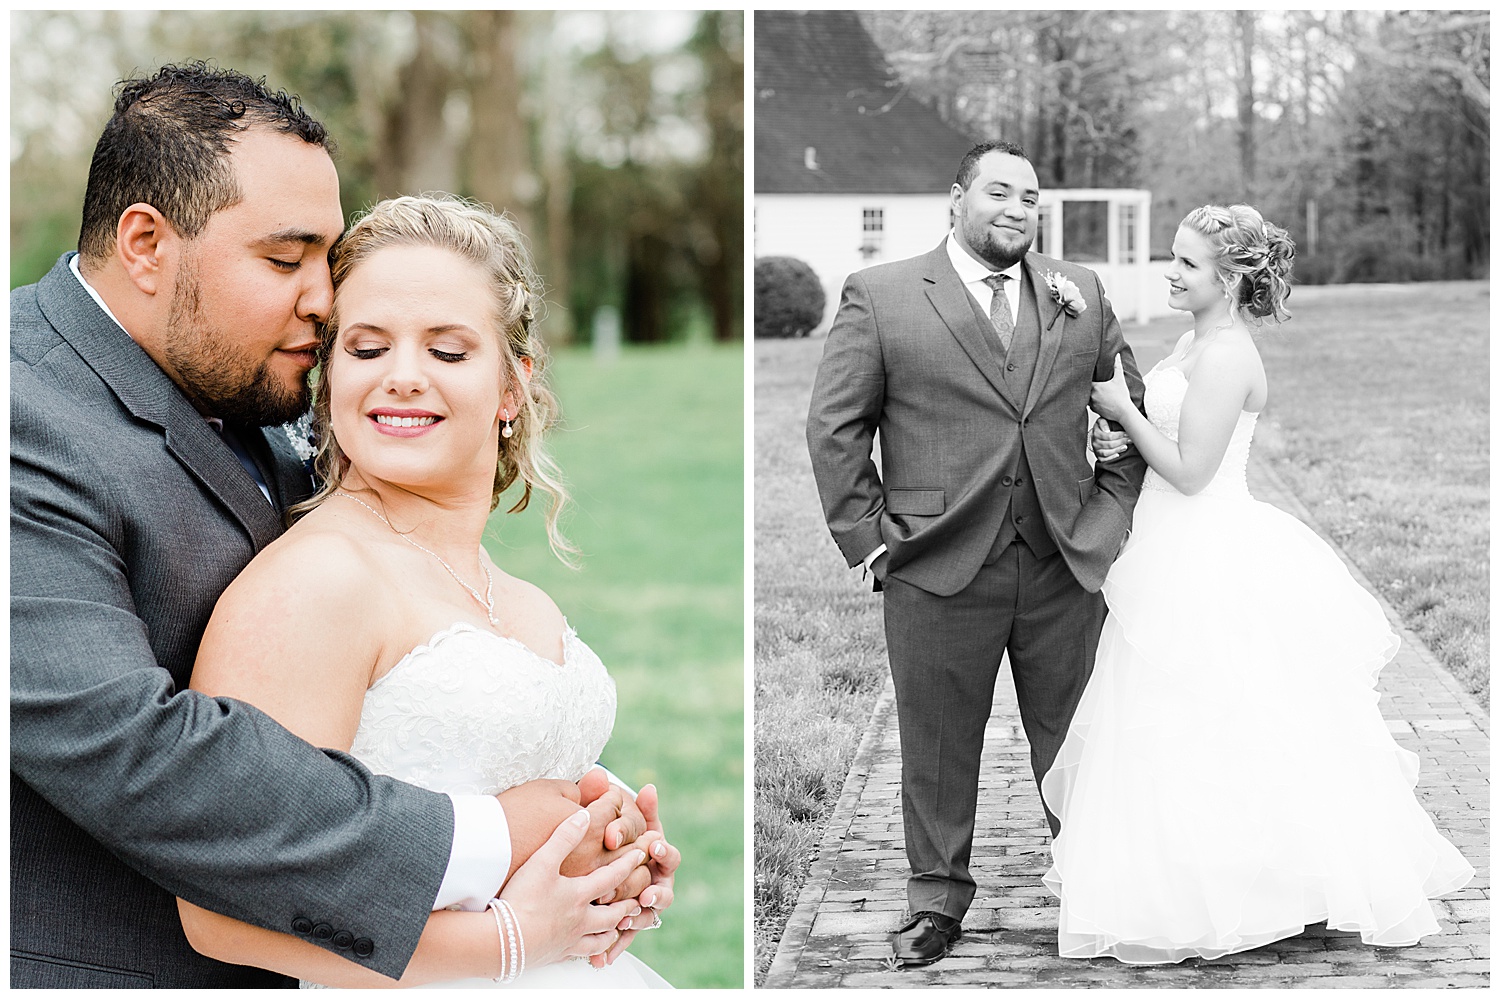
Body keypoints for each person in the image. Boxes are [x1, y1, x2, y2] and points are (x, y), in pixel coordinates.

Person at [11, 63, 671, 989]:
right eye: (286, 260)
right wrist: (493, 837)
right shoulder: (21, 413)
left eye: (326, 259)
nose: (322, 302)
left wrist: (593, 838)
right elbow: (129, 749)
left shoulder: (247, 387)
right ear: (148, 244)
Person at [172, 193, 673, 988]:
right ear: (330, 375)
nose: (403, 378)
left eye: (447, 351)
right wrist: (513, 942)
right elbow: (220, 908)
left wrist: (614, 862)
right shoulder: (317, 583)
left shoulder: (519, 599)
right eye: (368, 348)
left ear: (513, 386)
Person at [1044, 203, 1475, 964]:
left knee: (1230, 715)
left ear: (1233, 277)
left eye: (1186, 263)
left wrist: (1118, 405)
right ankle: (1196, 875)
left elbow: (1190, 469)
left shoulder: (1229, 354)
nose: (1170, 272)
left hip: (1210, 549)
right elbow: (1166, 442)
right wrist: (1120, 426)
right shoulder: (1191, 340)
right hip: (1169, 544)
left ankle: (1266, 887)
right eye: (1171, 257)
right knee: (1173, 722)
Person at [805, 139, 1148, 968]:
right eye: (999, 192)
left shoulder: (1082, 293)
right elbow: (835, 427)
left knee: (1075, 736)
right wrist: (870, 543)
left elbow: (1128, 409)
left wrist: (1107, 516)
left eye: (1031, 198)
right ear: (956, 198)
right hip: (934, 560)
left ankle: (1090, 878)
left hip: (1065, 558)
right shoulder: (882, 295)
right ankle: (936, 900)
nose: (1018, 209)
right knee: (937, 740)